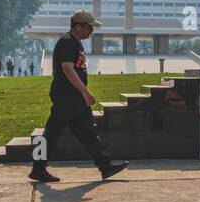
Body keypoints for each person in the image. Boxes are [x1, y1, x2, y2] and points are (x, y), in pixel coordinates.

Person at [28, 11, 127, 184]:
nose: (91, 31)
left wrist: (82, 93)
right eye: (89, 27)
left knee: (88, 132)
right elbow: (67, 69)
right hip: (67, 96)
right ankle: (37, 169)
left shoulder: (76, 43)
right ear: (78, 26)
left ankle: (105, 166)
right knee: (50, 133)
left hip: (75, 97)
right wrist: (85, 91)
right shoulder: (67, 42)